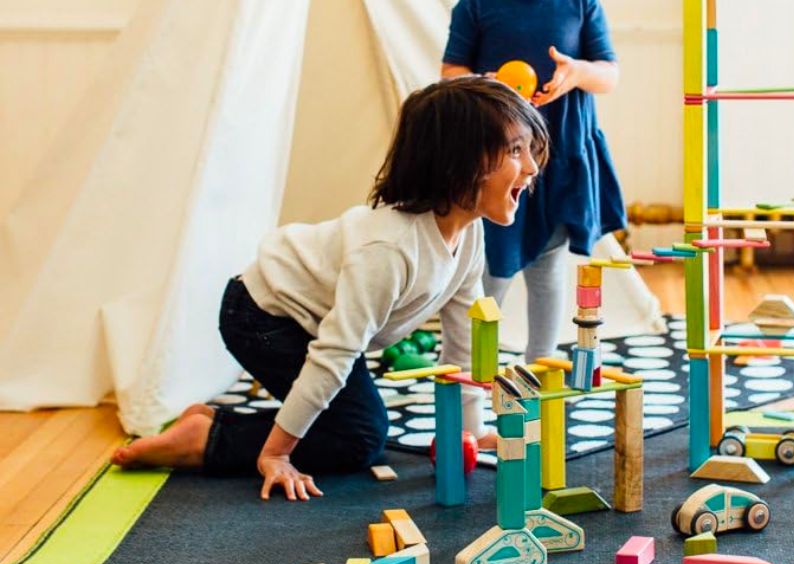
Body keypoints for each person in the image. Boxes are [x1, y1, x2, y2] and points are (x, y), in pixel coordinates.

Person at [111, 77, 549, 501]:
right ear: (458, 163)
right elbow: (335, 353)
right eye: (514, 151)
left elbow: (463, 343)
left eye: (528, 150)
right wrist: (276, 453)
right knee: (358, 437)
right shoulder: (390, 249)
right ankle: (206, 439)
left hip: (316, 321)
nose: (530, 167)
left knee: (356, 423)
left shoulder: (469, 234)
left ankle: (214, 423)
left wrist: (467, 432)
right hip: (263, 313)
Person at [442, 0, 624, 363]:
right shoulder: (475, 6)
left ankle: (541, 364)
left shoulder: (581, 4)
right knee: (490, 266)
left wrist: (576, 72)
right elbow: (450, 72)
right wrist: (481, 83)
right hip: (497, 159)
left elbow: (608, 74)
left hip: (559, 155)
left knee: (548, 263)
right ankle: (466, 366)